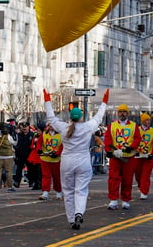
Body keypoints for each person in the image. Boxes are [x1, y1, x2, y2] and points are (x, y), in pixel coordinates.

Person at [43, 88, 109, 231]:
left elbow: (51, 118)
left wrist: (47, 101)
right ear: (80, 117)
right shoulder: (87, 127)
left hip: (67, 162)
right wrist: (104, 102)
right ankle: (79, 212)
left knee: (68, 191)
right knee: (81, 190)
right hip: (83, 161)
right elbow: (98, 117)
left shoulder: (63, 127)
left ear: (70, 117)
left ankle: (72, 219)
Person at [103, 104, 141, 210]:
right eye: (120, 111)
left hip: (128, 157)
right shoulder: (112, 125)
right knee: (113, 178)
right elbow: (108, 139)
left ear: (127, 113)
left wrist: (131, 147)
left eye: (124, 111)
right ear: (117, 113)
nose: (122, 113)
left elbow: (137, 139)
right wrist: (109, 150)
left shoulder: (133, 126)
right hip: (116, 157)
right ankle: (113, 200)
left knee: (127, 179)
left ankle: (125, 200)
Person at [133, 113, 153, 199]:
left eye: (149, 120)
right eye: (146, 120)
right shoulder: (136, 130)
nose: (148, 122)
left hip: (148, 157)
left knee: (146, 175)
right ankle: (141, 186)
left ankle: (144, 192)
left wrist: (152, 153)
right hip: (137, 157)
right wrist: (134, 150)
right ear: (142, 121)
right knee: (138, 175)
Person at [37, 121, 63, 201]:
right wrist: (39, 150)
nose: (51, 127)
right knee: (46, 175)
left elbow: (62, 146)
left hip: (56, 160)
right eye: (50, 125)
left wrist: (57, 153)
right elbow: (39, 143)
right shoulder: (44, 134)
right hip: (45, 159)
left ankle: (59, 192)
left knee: (57, 177)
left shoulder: (60, 135)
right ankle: (45, 192)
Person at [0, 124, 16, 192]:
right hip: (8, 156)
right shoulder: (9, 136)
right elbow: (15, 143)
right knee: (9, 171)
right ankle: (10, 187)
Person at [13, 122, 33, 188]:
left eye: (26, 126)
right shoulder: (19, 135)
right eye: (23, 127)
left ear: (28, 127)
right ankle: (17, 182)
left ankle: (31, 182)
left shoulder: (32, 135)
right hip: (20, 154)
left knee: (30, 169)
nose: (24, 128)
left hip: (29, 154)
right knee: (19, 169)